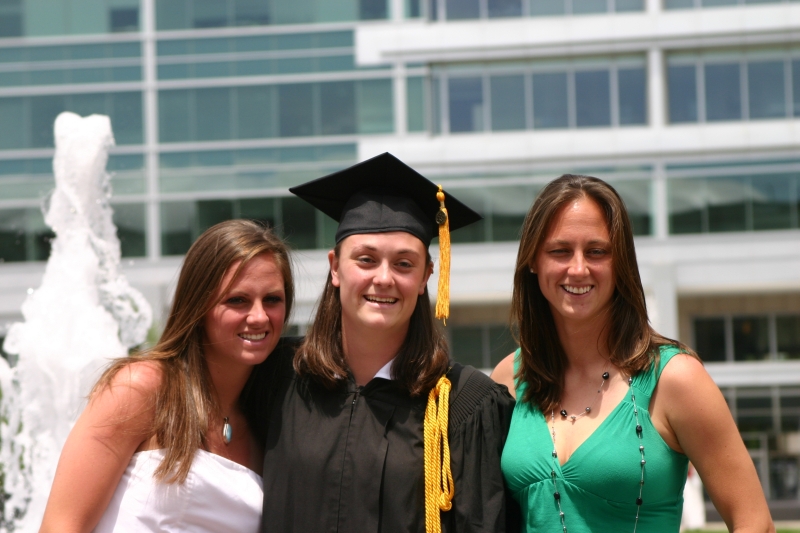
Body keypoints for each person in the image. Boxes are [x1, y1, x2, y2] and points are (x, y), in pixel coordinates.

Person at [491, 174, 774, 532]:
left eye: (597, 251)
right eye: (559, 251)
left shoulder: (675, 378)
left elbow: (755, 523)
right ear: (533, 261)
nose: (578, 268)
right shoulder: (509, 379)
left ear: (621, 261)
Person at [253, 152, 517, 533]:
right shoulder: (279, 376)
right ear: (335, 267)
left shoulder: (462, 404)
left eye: (404, 264)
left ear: (426, 275)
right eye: (366, 259)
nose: (384, 278)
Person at [40, 219, 294, 533]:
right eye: (237, 300)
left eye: (272, 300)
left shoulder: (270, 425)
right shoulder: (142, 388)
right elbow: (61, 526)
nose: (259, 316)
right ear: (199, 305)